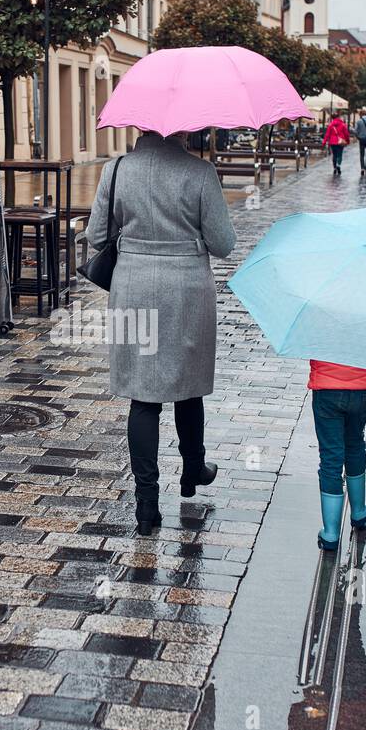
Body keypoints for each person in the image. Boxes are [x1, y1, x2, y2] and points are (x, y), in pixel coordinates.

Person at [86, 131, 237, 536]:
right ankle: (192, 470)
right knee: (188, 385)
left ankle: (146, 505)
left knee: (143, 395)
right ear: (184, 129)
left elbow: (95, 238)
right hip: (186, 291)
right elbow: (223, 243)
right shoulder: (201, 173)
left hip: (133, 287)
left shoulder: (115, 170)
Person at [310, 358, 366, 550]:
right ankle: (358, 511)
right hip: (363, 388)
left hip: (327, 388)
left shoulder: (317, 325)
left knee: (330, 457)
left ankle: (330, 533)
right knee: (355, 444)